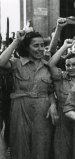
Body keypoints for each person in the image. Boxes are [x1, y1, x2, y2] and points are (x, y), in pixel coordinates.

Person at [0, 31, 58, 159]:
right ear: (27, 47)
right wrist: (16, 40)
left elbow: (50, 90)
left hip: (43, 109)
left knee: (42, 145)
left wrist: (53, 104)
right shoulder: (17, 63)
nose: (40, 49)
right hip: (20, 107)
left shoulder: (47, 64)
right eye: (36, 45)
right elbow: (1, 62)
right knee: (20, 145)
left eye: (42, 45)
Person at [48, 39, 75, 159]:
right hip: (63, 118)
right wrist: (65, 46)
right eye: (68, 65)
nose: (71, 68)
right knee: (62, 151)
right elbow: (50, 64)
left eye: (74, 64)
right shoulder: (61, 77)